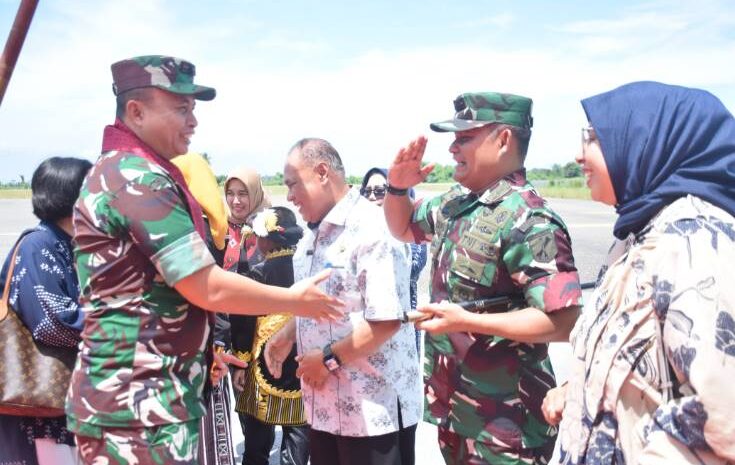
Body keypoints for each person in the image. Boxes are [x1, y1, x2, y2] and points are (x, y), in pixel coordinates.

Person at [65, 55, 341, 465]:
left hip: (144, 399)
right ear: (136, 111)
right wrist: (295, 300)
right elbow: (205, 284)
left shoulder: (123, 171)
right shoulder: (137, 179)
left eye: (193, 108)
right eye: (180, 108)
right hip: (138, 406)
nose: (193, 120)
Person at [541, 81, 735, 464]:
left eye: (594, 138)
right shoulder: (640, 234)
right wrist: (578, 390)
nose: (579, 156)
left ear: (648, 141)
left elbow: (722, 421)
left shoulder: (694, 241)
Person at [384, 92, 583, 465]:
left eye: (465, 138)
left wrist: (468, 321)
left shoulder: (530, 218)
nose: (453, 148)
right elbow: (403, 226)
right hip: (457, 410)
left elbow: (564, 321)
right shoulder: (456, 203)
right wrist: (396, 187)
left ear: (504, 139)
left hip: (508, 420)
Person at [265, 138, 422, 465]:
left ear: (322, 172)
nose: (289, 197)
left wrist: (325, 360)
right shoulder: (312, 236)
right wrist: (287, 334)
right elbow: (327, 303)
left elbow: (387, 321)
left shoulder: (373, 228)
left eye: (293, 184)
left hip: (372, 415)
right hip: (324, 411)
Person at [0, 156, 91, 465]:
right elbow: (52, 322)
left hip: (54, 399)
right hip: (34, 400)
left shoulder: (69, 244)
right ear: (71, 196)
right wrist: (118, 323)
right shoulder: (39, 245)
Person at [232, 206, 310, 465]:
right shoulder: (307, 270)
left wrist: (241, 361)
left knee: (257, 441)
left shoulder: (257, 273)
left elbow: (242, 321)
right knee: (298, 434)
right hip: (301, 363)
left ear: (265, 239)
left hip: (263, 365)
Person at [360, 167, 427, 354]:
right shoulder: (357, 231)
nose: (372, 197)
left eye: (381, 191)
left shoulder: (409, 231)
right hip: (364, 327)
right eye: (367, 191)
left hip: (400, 320)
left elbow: (413, 266)